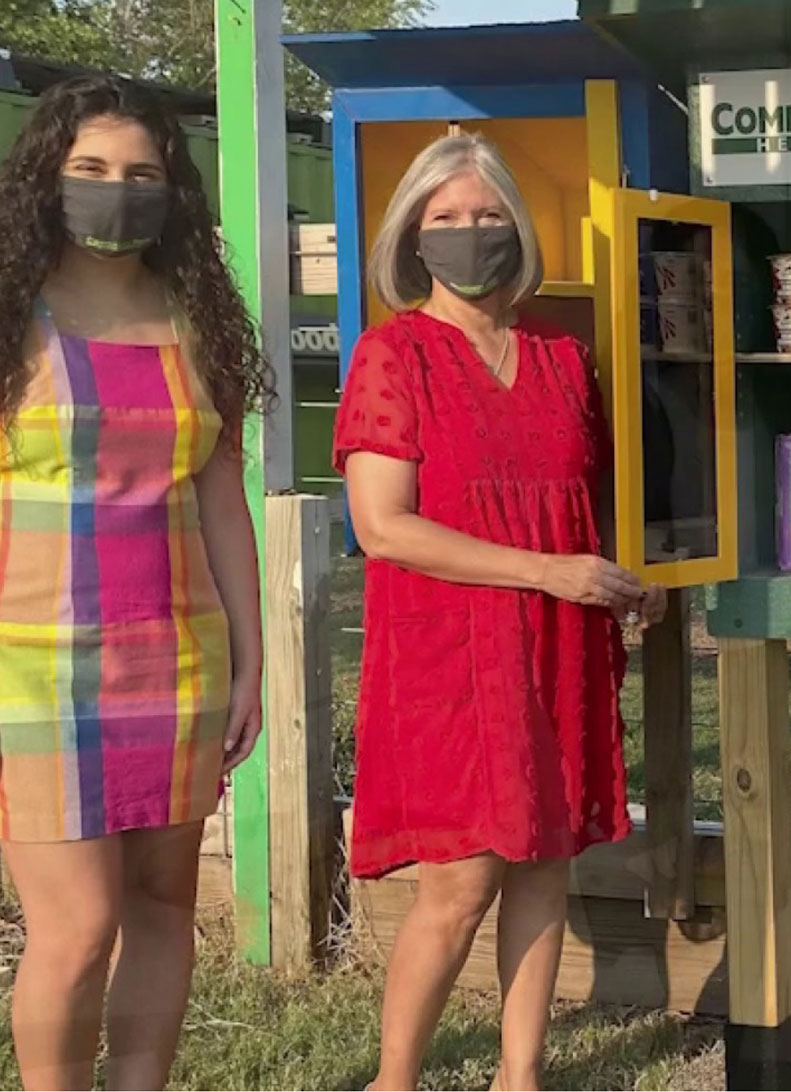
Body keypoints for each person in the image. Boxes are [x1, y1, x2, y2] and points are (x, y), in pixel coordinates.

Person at [335, 132, 665, 1092]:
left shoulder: (565, 359)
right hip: (448, 652)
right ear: (412, 234)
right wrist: (550, 572)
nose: (469, 233)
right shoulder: (392, 356)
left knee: (544, 866)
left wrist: (616, 582)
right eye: (446, 218)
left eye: (486, 215)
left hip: (559, 644)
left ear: (517, 228)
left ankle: (521, 1076)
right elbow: (384, 528)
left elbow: (589, 503)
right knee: (462, 882)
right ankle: (395, 1080)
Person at [0, 74, 271, 1091]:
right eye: (92, 169)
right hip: (28, 668)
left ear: (175, 189)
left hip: (178, 657)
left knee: (162, 905)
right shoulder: (5, 317)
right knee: (78, 925)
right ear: (47, 177)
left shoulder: (199, 319)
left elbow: (220, 500)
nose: (117, 189)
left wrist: (249, 663)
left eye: (142, 173)